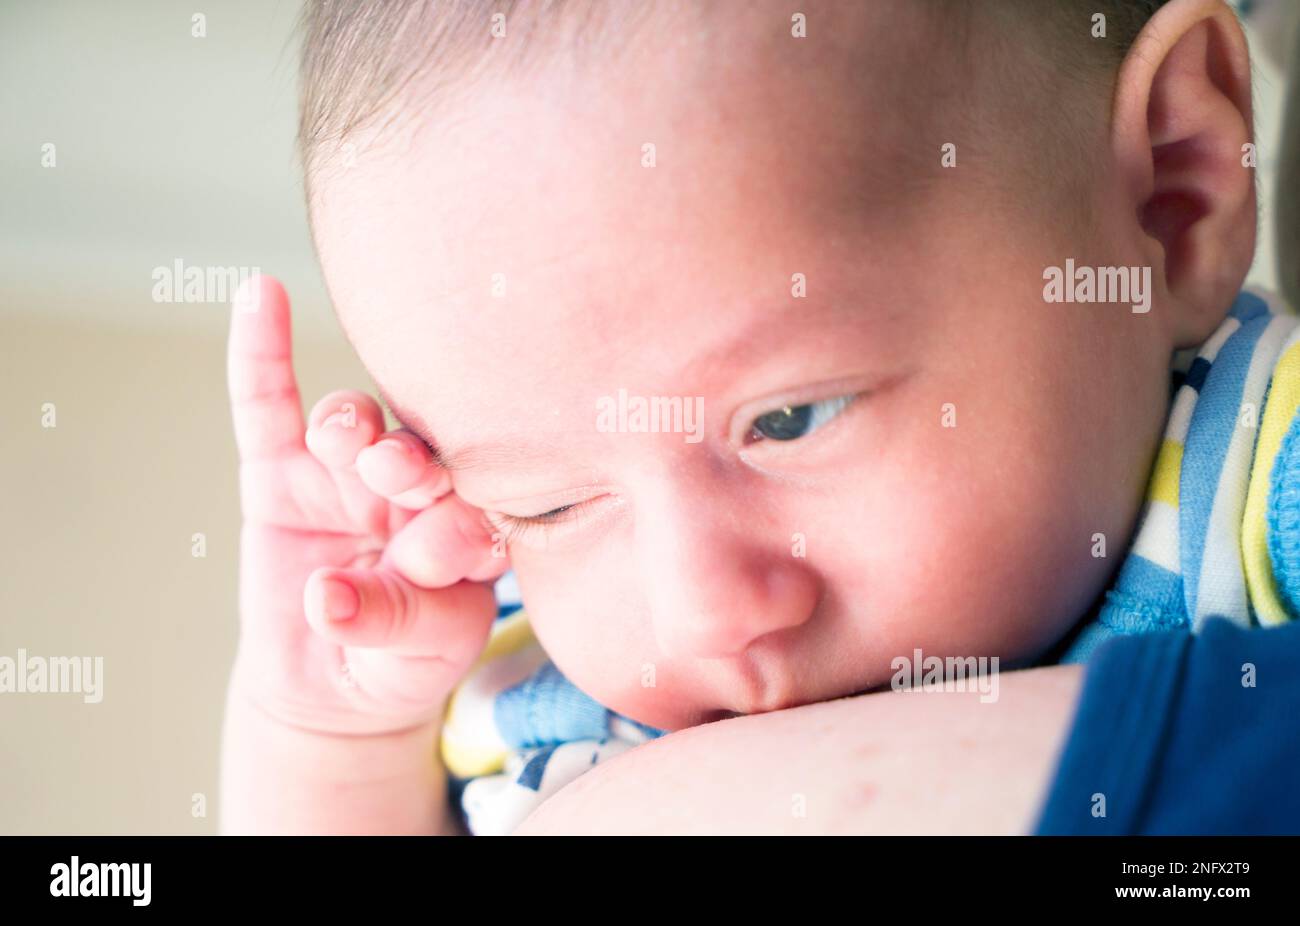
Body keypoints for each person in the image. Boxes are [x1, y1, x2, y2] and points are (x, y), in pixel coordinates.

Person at [220, 0, 1297, 834]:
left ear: (1172, 197)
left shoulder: (1259, 468)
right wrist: (325, 734)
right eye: (545, 504)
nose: (701, 610)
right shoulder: (521, 668)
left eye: (786, 420)